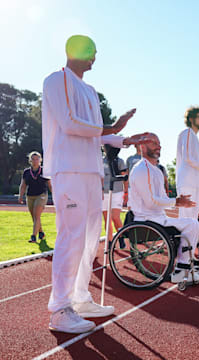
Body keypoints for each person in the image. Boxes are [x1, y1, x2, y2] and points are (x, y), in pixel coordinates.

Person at [42, 35, 149, 333]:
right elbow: (69, 122)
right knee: (71, 237)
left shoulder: (90, 91)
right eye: (92, 52)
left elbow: (95, 134)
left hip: (91, 172)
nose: (95, 58)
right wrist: (114, 127)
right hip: (69, 169)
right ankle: (60, 310)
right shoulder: (57, 79)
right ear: (78, 51)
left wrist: (125, 139)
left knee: (90, 240)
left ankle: (80, 297)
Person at [128, 134, 199, 284]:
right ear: (142, 146)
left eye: (159, 143)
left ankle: (186, 263)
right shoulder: (142, 170)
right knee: (192, 224)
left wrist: (177, 202)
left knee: (191, 223)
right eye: (154, 143)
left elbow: (161, 198)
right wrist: (177, 202)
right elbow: (150, 203)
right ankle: (181, 270)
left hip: (157, 218)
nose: (159, 146)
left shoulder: (155, 170)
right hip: (146, 219)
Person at [19, 151, 52, 243]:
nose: (35, 161)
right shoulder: (26, 172)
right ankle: (41, 232)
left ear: (40, 160)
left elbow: (50, 185)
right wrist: (20, 196)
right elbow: (23, 185)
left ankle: (33, 236)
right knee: (34, 217)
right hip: (30, 195)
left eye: (37, 159)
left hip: (41, 195)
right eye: (33, 159)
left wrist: (55, 195)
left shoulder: (44, 170)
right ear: (30, 160)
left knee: (37, 215)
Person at [101, 153, 127, 248]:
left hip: (117, 191)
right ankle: (110, 242)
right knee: (107, 219)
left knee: (115, 217)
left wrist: (126, 192)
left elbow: (125, 177)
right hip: (104, 193)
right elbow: (100, 177)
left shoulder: (119, 161)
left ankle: (121, 237)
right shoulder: (101, 161)